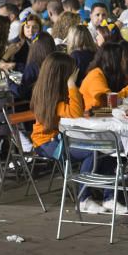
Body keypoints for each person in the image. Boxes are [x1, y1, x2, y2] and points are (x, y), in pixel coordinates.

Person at [30, 52, 108, 214]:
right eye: (71, 72)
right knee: (92, 152)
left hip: (58, 139)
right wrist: (72, 84)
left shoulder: (50, 91)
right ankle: (84, 198)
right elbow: (76, 111)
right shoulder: (50, 98)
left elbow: (76, 108)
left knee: (102, 148)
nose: (75, 74)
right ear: (62, 75)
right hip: (47, 144)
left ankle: (104, 195)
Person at [79, 43, 128, 110]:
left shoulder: (110, 75)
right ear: (114, 60)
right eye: (122, 59)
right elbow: (108, 102)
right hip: (90, 118)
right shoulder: (95, 75)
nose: (125, 62)